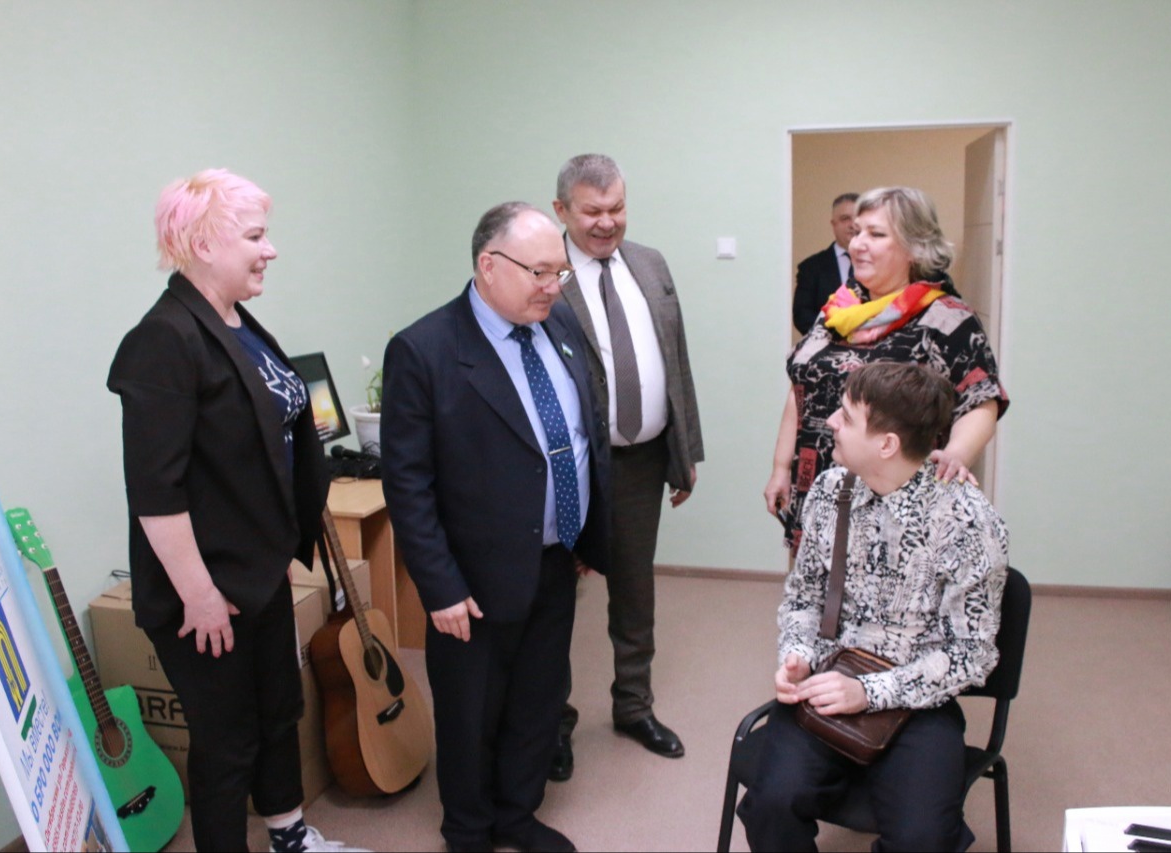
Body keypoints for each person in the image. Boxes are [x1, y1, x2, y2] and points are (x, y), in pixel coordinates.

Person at [107, 169, 362, 853]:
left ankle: (289, 835)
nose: (269, 249)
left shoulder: (233, 320)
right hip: (204, 589)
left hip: (257, 570)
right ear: (202, 244)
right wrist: (201, 596)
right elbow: (155, 491)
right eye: (254, 236)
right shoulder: (164, 339)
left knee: (278, 711)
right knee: (227, 740)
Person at [381, 202, 611, 853]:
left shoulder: (557, 322)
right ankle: (468, 829)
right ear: (488, 265)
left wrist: (584, 528)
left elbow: (581, 431)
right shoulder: (425, 350)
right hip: (472, 575)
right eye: (539, 272)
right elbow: (408, 483)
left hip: (555, 556)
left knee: (539, 698)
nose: (553, 286)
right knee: (471, 709)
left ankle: (516, 813)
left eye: (560, 272)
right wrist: (440, 587)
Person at [738, 361, 1009, 851]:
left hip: (918, 700)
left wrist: (869, 693)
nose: (830, 422)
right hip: (829, 679)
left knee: (923, 838)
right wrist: (797, 654)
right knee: (771, 803)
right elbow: (803, 597)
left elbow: (972, 654)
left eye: (846, 416)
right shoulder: (829, 492)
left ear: (887, 444)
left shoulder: (969, 521)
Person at [550, 153, 704, 777]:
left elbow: (676, 357)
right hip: (571, 466)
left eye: (616, 208)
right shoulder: (545, 272)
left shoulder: (650, 263)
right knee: (556, 596)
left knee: (634, 592)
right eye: (592, 211)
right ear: (562, 210)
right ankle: (552, 722)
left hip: (642, 461)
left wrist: (684, 452)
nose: (607, 222)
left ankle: (634, 706)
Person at [763, 186, 1008, 553]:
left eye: (876, 234)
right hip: (816, 485)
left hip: (893, 499)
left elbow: (981, 399)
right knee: (815, 583)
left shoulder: (946, 319)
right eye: (856, 231)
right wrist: (781, 468)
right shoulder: (837, 311)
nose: (858, 243)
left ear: (914, 247)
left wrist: (957, 453)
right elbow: (801, 388)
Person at [792, 193, 859, 334]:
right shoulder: (811, 268)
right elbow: (802, 315)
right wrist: (835, 337)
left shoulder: (882, 263)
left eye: (857, 218)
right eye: (845, 218)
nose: (852, 225)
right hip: (827, 342)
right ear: (834, 225)